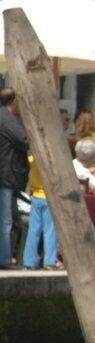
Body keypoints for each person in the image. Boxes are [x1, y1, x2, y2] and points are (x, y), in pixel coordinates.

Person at [0, 88, 29, 268]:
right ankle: (4, 259)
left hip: (6, 176)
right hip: (5, 176)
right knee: (5, 221)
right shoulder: (8, 120)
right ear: (15, 101)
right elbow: (25, 140)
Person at [21, 156, 60, 270]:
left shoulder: (31, 159)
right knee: (50, 231)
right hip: (49, 197)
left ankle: (29, 261)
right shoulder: (52, 160)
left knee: (33, 230)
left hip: (36, 196)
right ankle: (49, 261)